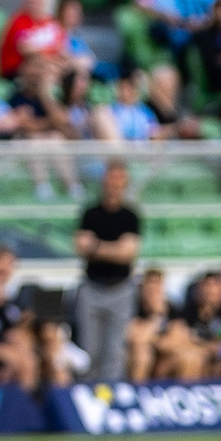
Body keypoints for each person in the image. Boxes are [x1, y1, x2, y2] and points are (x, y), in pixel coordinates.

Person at [73, 162, 143, 384]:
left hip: (119, 289)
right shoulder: (91, 213)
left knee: (114, 353)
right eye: (111, 179)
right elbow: (81, 246)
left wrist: (96, 247)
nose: (114, 184)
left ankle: (109, 395)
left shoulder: (130, 216)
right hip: (92, 287)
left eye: (118, 180)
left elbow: (127, 253)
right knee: (88, 351)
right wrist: (114, 249)